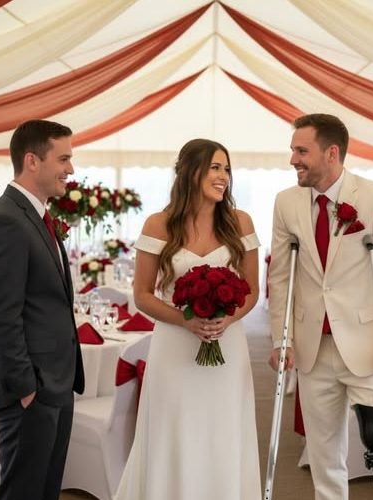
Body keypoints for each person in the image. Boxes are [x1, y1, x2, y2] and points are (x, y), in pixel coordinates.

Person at [268, 114, 373, 499]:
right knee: (324, 456)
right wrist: (281, 340)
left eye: (302, 151)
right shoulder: (286, 203)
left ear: (331, 153)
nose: (293, 160)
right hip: (312, 347)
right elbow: (280, 278)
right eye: (293, 150)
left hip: (368, 345)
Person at [116, 138, 261, 500]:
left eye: (226, 169)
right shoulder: (158, 224)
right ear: (191, 172)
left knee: (222, 428)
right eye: (215, 167)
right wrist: (185, 320)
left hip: (228, 347)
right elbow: (142, 294)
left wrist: (228, 319)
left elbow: (252, 290)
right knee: (174, 428)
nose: (223, 176)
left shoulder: (240, 222)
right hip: (175, 348)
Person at [0, 119, 85, 500]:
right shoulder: (6, 221)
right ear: (32, 161)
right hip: (31, 388)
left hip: (54, 383)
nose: (71, 169)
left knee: (45, 491)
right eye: (63, 159)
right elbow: (1, 317)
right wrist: (26, 389)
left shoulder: (34, 216)